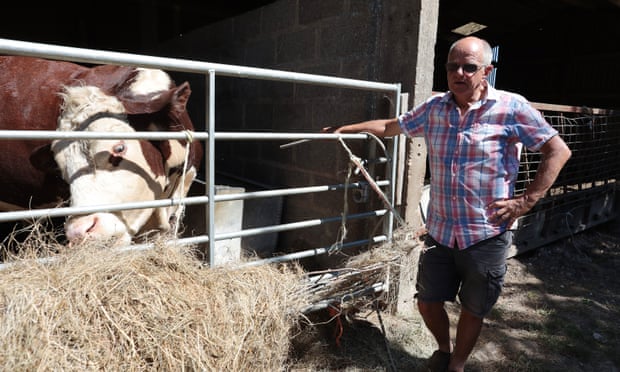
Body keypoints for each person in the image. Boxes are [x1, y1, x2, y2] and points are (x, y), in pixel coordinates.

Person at [323, 36, 571, 372]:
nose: (460, 73)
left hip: (487, 232)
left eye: (470, 67)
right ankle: (443, 348)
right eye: (453, 66)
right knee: (427, 301)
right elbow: (390, 126)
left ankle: (457, 364)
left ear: (487, 71)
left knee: (474, 307)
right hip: (440, 230)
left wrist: (526, 201)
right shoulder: (435, 108)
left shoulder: (511, 108)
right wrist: (346, 128)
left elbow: (558, 150)